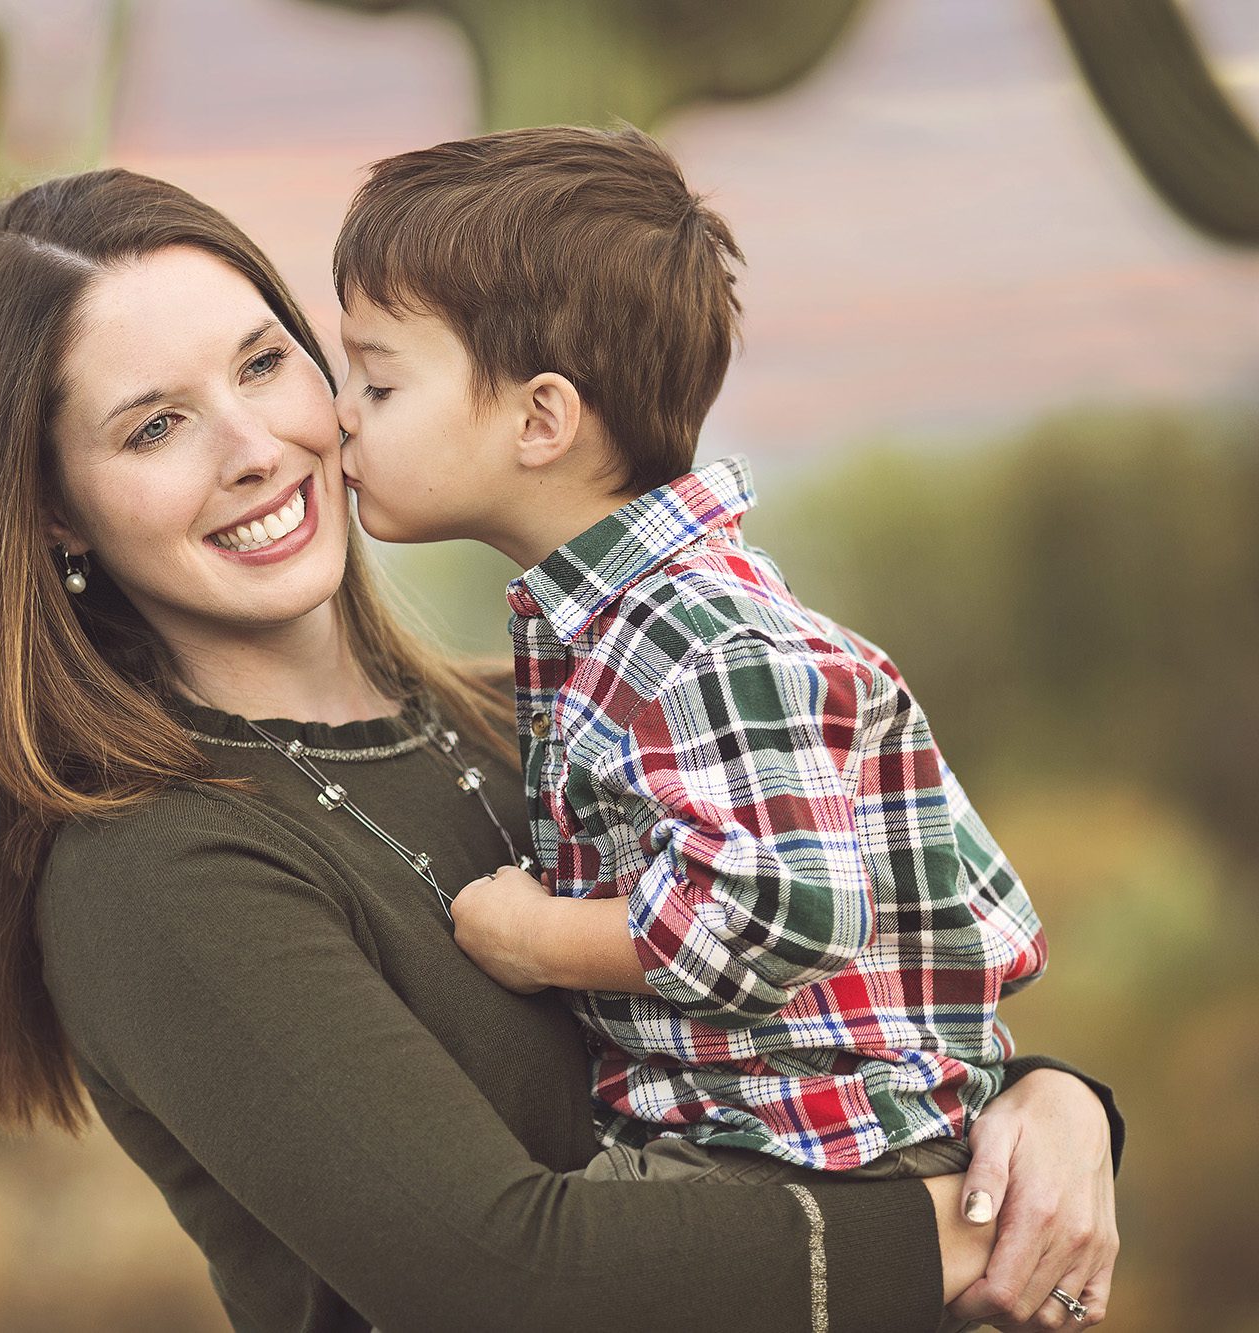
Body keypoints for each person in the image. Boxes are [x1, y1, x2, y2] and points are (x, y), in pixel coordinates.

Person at [0, 165, 1122, 1333]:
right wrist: (970, 1233)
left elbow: (829, 968)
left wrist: (1054, 1106)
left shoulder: (561, 710)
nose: (254, 446)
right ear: (51, 510)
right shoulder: (155, 867)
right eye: (153, 429)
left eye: (264, 364)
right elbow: (497, 1273)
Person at [328, 123, 1067, 1332]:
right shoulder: (633, 622)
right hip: (769, 1134)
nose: (339, 416)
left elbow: (786, 907)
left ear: (538, 420)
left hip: (796, 1153)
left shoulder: (691, 639)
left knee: (537, 1283)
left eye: (378, 381)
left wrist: (536, 937)